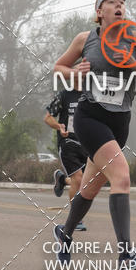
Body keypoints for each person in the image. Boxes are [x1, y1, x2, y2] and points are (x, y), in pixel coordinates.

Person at [52, 0, 136, 270]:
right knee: (122, 177)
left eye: (122, 2)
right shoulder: (85, 39)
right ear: (99, 11)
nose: (118, 6)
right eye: (111, 1)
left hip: (120, 123)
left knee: (89, 189)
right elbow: (58, 68)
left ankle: (64, 234)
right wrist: (74, 72)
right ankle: (126, 255)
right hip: (90, 119)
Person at [44, 88, 88, 229]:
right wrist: (59, 126)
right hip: (68, 141)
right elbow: (48, 117)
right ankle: (76, 220)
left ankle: (62, 179)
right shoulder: (64, 95)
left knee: (85, 181)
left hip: (87, 143)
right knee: (79, 178)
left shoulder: (92, 93)